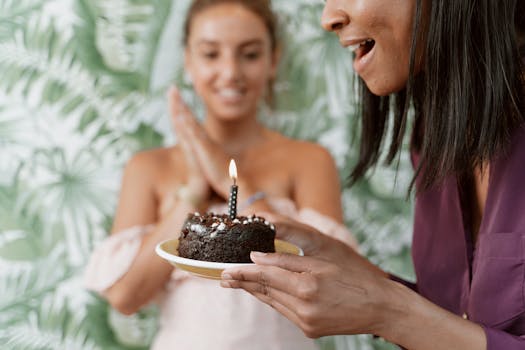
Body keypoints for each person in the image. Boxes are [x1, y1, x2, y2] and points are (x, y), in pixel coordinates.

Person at [220, 0, 525, 349]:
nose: (328, 18)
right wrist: (362, 278)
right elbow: (456, 321)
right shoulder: (434, 137)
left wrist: (388, 312)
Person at [83, 1, 357, 349]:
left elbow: (335, 278)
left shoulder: (309, 161)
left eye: (250, 54)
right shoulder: (149, 168)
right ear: (188, 61)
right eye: (211, 54)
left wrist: (233, 179)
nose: (230, 72)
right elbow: (126, 298)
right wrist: (194, 192)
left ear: (273, 60)